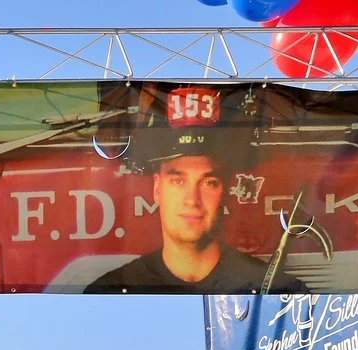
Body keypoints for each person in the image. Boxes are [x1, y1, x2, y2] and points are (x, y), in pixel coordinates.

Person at [86, 86, 306, 295]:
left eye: (208, 182)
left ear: (227, 191)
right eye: (178, 181)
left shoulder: (281, 291)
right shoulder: (110, 291)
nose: (192, 200)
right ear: (156, 188)